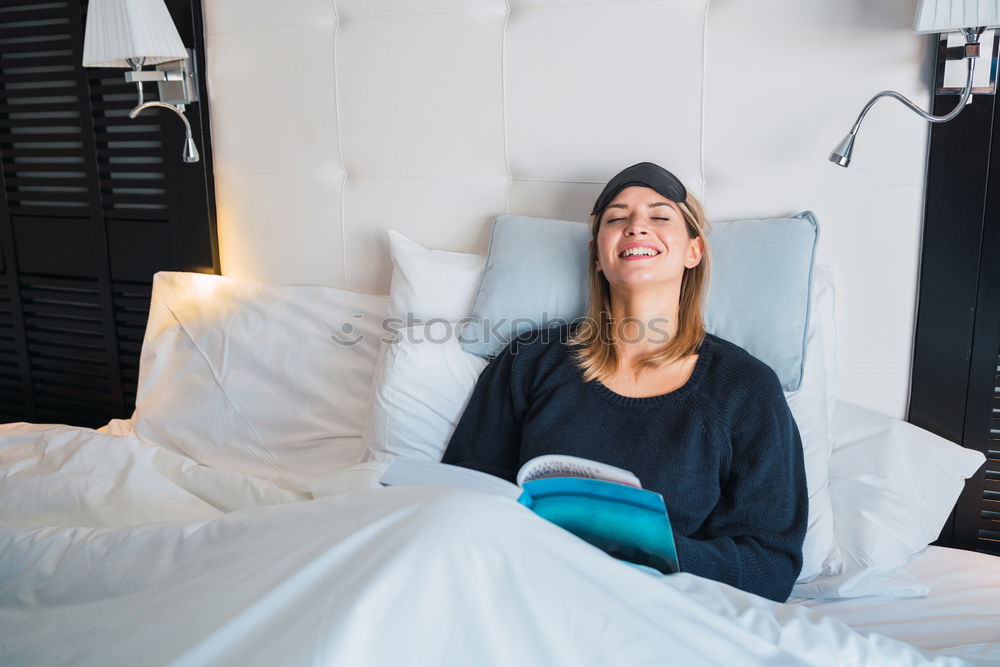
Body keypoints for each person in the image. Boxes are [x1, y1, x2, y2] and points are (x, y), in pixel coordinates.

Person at [441, 162, 807, 603]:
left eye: (659, 216)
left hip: (660, 610)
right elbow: (461, 494)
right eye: (616, 218)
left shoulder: (746, 390)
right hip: (526, 592)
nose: (636, 227)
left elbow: (770, 566)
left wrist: (646, 550)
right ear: (598, 255)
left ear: (694, 251)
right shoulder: (530, 359)